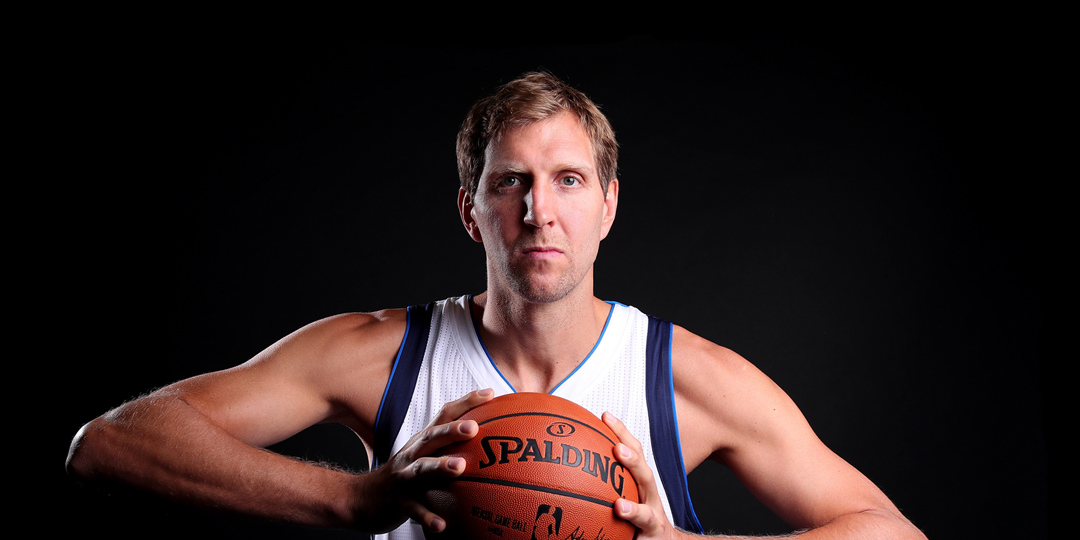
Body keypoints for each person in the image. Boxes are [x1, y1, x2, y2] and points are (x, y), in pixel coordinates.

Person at [67, 71, 927, 539]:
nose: (538, 211)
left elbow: (890, 535)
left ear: (608, 206)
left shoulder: (683, 380)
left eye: (567, 181)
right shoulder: (384, 356)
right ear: (469, 209)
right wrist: (358, 500)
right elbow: (109, 447)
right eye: (508, 182)